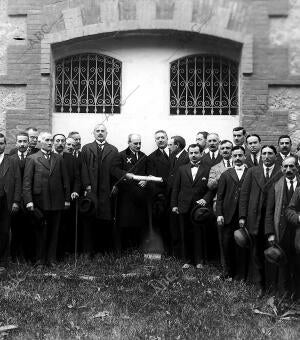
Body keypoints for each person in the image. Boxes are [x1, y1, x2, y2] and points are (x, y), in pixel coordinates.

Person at [239, 145, 282, 296]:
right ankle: (259, 285)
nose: (267, 156)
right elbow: (244, 194)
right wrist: (243, 216)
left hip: (273, 218)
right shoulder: (252, 171)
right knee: (256, 251)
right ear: (261, 156)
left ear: (275, 156)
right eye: (264, 153)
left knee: (272, 250)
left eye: (270, 153)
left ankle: (274, 285)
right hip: (254, 218)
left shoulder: (281, 171)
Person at [23, 132, 70, 267]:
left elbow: (65, 180)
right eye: (47, 140)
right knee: (40, 232)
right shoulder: (32, 158)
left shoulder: (58, 159)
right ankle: (39, 260)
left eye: (51, 140)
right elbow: (27, 182)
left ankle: (52, 259)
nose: (50, 143)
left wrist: (66, 199)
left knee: (54, 232)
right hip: (39, 201)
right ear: (40, 142)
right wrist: (28, 201)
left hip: (56, 201)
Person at [171, 144, 213, 268]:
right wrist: (174, 205)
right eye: (191, 153)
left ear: (201, 154)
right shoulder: (182, 169)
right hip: (183, 205)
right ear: (188, 154)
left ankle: (199, 260)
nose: (193, 155)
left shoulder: (208, 168)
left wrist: (205, 199)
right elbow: (176, 188)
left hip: (198, 208)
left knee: (199, 233)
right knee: (185, 233)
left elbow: (211, 188)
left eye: (196, 153)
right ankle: (187, 260)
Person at [265, 156, 300, 298]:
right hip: (282, 230)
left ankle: (297, 293)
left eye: (292, 166)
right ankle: (283, 292)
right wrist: (271, 233)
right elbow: (269, 211)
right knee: (282, 262)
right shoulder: (276, 185)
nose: (288, 170)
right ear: (281, 169)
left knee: (298, 262)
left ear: (297, 168)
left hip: (298, 231)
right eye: (285, 167)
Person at [81, 124, 118, 255]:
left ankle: (104, 251)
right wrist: (87, 185)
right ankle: (88, 251)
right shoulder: (86, 149)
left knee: (105, 220)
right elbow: (83, 169)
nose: (100, 133)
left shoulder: (113, 150)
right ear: (93, 133)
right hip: (91, 190)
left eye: (103, 131)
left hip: (106, 190)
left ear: (106, 133)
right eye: (98, 131)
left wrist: (115, 185)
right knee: (90, 220)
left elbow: (116, 170)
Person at [216, 146, 249, 280]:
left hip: (245, 216)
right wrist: (219, 214)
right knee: (227, 244)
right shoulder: (226, 174)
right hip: (228, 216)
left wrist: (245, 216)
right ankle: (229, 272)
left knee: (242, 245)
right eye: (235, 156)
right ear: (231, 157)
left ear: (244, 156)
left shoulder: (250, 173)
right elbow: (220, 196)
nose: (237, 158)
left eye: (240, 155)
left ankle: (242, 274)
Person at [111, 133, 147, 250]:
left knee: (139, 222)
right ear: (129, 143)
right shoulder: (121, 155)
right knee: (124, 222)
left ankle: (136, 247)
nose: (138, 145)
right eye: (135, 143)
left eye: (140, 143)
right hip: (125, 195)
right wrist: (126, 174)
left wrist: (146, 181)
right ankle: (122, 249)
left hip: (140, 195)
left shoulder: (144, 156)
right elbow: (114, 170)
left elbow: (148, 172)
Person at [53, 133, 80, 258]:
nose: (60, 143)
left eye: (63, 141)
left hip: (67, 198)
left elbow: (76, 178)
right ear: (53, 143)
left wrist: (75, 190)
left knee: (64, 226)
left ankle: (63, 253)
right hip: (51, 198)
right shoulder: (50, 156)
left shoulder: (71, 158)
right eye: (57, 141)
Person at [9, 132, 33, 262]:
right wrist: (14, 200)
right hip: (15, 200)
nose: (22, 144)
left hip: (29, 200)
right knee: (15, 228)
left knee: (29, 229)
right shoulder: (11, 159)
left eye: (25, 141)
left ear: (28, 143)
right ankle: (14, 257)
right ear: (16, 143)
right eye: (20, 141)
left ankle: (27, 257)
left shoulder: (33, 157)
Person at [0, 133, 21, 272]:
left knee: (4, 231)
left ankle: (2, 262)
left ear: (5, 144)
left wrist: (16, 201)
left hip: (6, 201)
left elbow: (18, 181)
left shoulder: (12, 160)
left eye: (1, 143)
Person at [147, 130, 170, 253]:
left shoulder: (176, 153)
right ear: (155, 141)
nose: (160, 140)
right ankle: (164, 251)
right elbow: (153, 179)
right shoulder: (151, 157)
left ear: (167, 138)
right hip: (161, 196)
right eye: (158, 138)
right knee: (162, 225)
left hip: (176, 195)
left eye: (162, 137)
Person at [167, 136, 189, 257]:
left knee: (180, 227)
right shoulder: (173, 156)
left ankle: (181, 253)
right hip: (172, 195)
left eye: (170, 145)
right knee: (174, 226)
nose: (168, 147)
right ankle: (175, 252)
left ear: (178, 145)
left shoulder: (186, 157)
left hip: (181, 197)